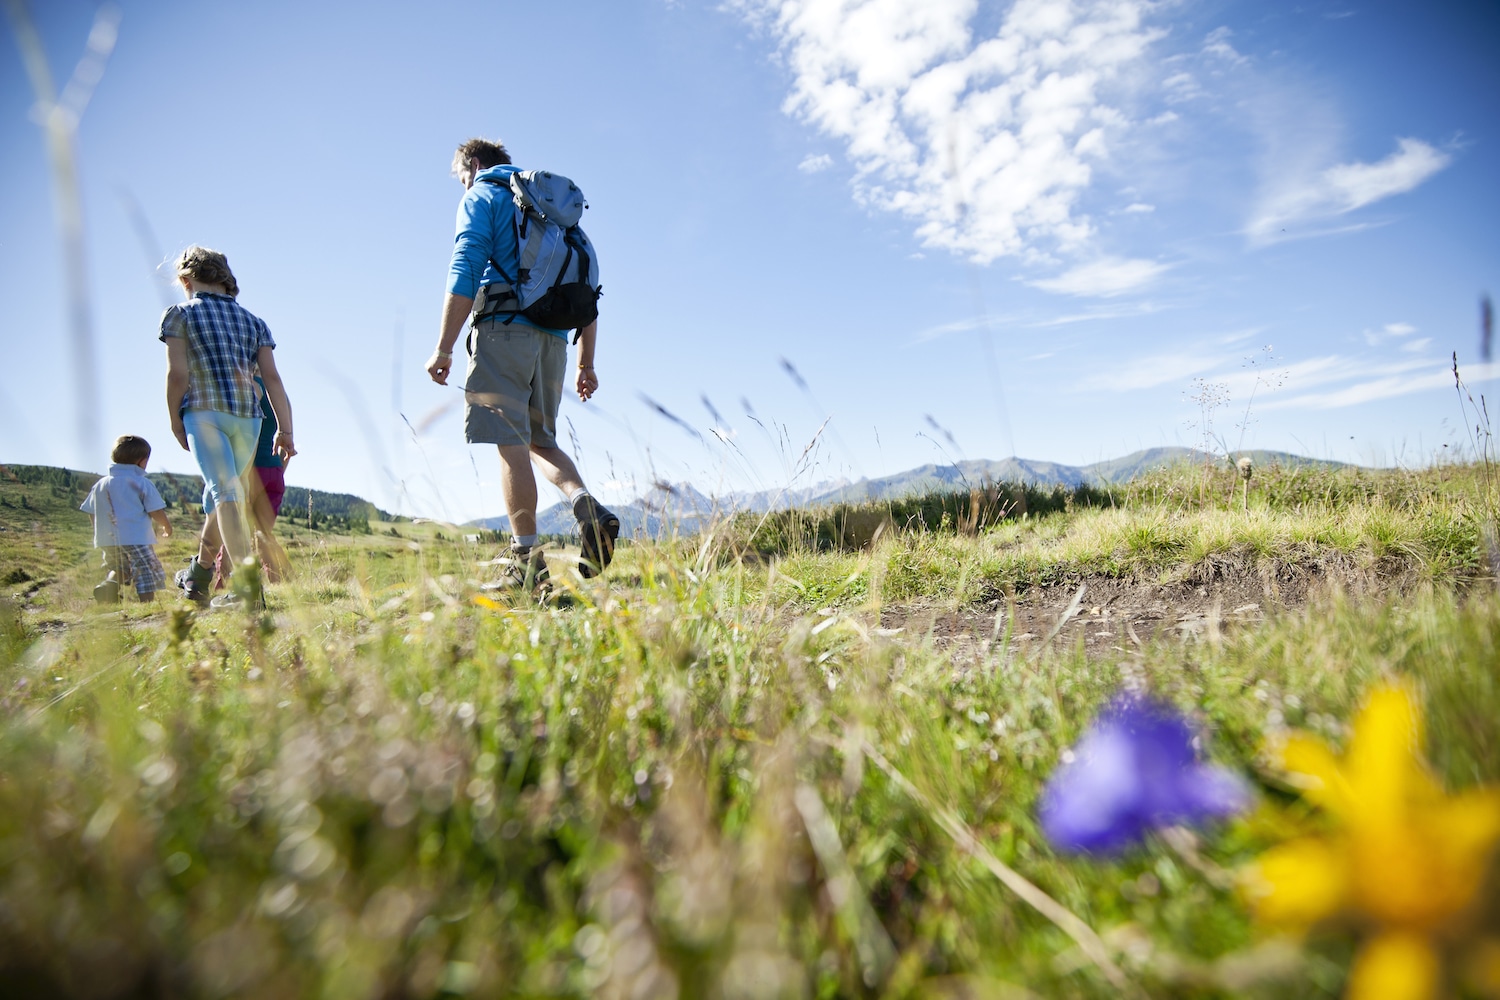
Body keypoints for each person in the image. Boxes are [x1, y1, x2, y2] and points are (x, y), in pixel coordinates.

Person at [425, 137, 619, 596]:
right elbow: (589, 293)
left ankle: (526, 566)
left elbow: (466, 265)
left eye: (460, 178)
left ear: (472, 165)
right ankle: (586, 506)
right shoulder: (553, 213)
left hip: (504, 331)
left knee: (511, 445)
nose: (462, 185)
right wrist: (585, 363)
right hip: (554, 341)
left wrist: (444, 347)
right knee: (540, 442)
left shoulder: (484, 195)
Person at [162, 246, 296, 608]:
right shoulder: (254, 322)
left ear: (185, 281)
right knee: (222, 497)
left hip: (204, 413)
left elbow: (178, 374)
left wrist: (175, 419)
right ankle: (199, 575)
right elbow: (272, 379)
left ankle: (248, 590)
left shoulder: (179, 315)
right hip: (248, 419)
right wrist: (286, 429)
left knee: (224, 495)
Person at [205, 376, 292, 588]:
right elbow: (286, 443)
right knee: (262, 534)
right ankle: (280, 583)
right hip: (274, 470)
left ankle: (223, 583)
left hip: (251, 470)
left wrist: (243, 476)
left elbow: (246, 439)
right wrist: (279, 470)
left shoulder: (249, 385)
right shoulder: (280, 396)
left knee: (234, 528)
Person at [81, 435, 172, 603]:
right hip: (135, 537)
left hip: (106, 538)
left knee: (118, 566)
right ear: (141, 461)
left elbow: (90, 510)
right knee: (144, 569)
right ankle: (147, 603)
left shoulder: (101, 484)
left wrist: (98, 529)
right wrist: (166, 526)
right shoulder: (141, 482)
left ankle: (109, 586)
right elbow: (155, 510)